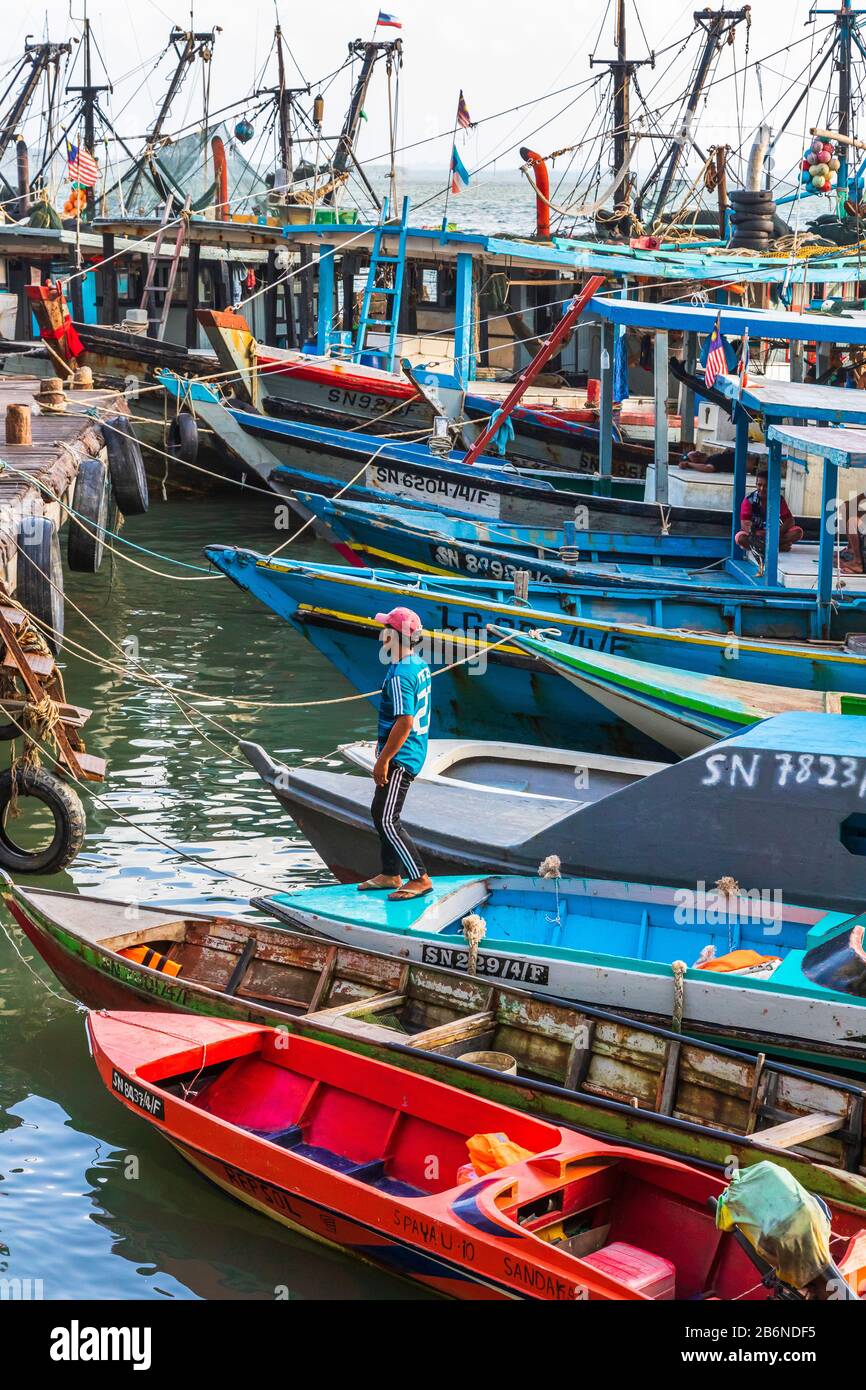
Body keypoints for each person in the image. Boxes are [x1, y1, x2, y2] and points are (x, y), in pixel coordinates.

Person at [357, 606, 433, 902]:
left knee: (388, 818)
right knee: (380, 811)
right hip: (405, 749)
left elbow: (405, 721)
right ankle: (390, 873)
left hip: (403, 755)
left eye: (385, 628)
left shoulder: (402, 675)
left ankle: (420, 878)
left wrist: (384, 759)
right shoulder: (416, 664)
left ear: (394, 635)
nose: (381, 632)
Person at [735, 470, 804, 554]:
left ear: (771, 486)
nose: (762, 489)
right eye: (759, 485)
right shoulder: (749, 500)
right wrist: (757, 534)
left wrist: (776, 533)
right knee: (740, 538)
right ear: (755, 484)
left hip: (775, 534)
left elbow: (790, 520)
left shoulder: (778, 499)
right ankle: (778, 547)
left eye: (766, 486)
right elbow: (745, 523)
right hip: (756, 535)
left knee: (798, 532)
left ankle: (764, 548)